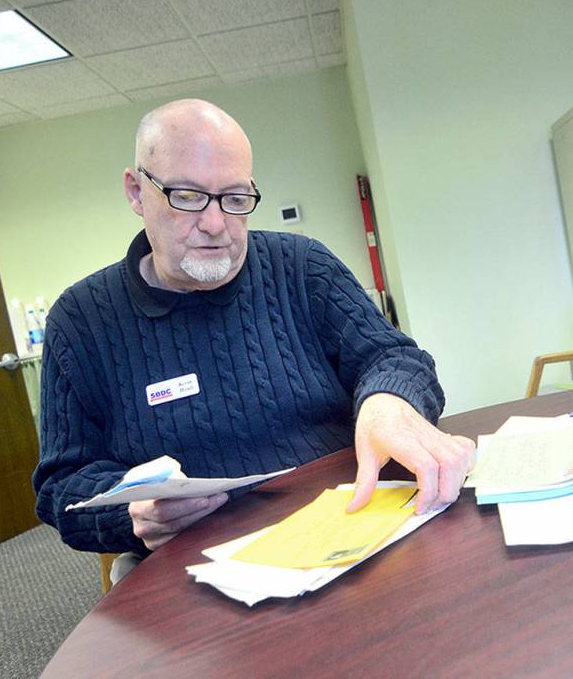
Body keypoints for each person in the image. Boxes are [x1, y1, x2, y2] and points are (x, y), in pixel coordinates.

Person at [33, 99, 475, 567]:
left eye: (235, 198)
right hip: (199, 567)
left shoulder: (303, 266)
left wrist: (387, 401)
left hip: (356, 526)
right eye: (187, 197)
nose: (215, 224)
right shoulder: (80, 321)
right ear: (137, 192)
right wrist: (130, 514)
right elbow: (62, 486)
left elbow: (394, 358)